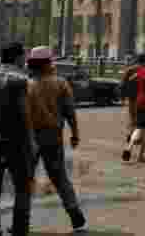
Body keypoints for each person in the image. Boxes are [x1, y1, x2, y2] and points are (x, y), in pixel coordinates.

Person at [25, 46, 88, 233]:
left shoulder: (26, 84)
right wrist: (75, 134)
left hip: (31, 137)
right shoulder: (60, 83)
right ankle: (75, 214)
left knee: (26, 178)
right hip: (53, 136)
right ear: (48, 64)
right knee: (60, 177)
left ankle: (22, 219)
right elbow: (70, 112)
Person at [0, 42, 36, 236]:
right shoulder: (22, 80)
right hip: (17, 143)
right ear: (17, 57)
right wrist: (32, 142)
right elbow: (26, 115)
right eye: (23, 56)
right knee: (22, 187)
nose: (25, 59)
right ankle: (19, 229)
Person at [120, 54, 145, 142]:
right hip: (143, 97)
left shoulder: (130, 70)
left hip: (132, 97)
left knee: (132, 117)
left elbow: (123, 85)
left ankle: (131, 134)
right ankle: (137, 136)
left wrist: (123, 97)